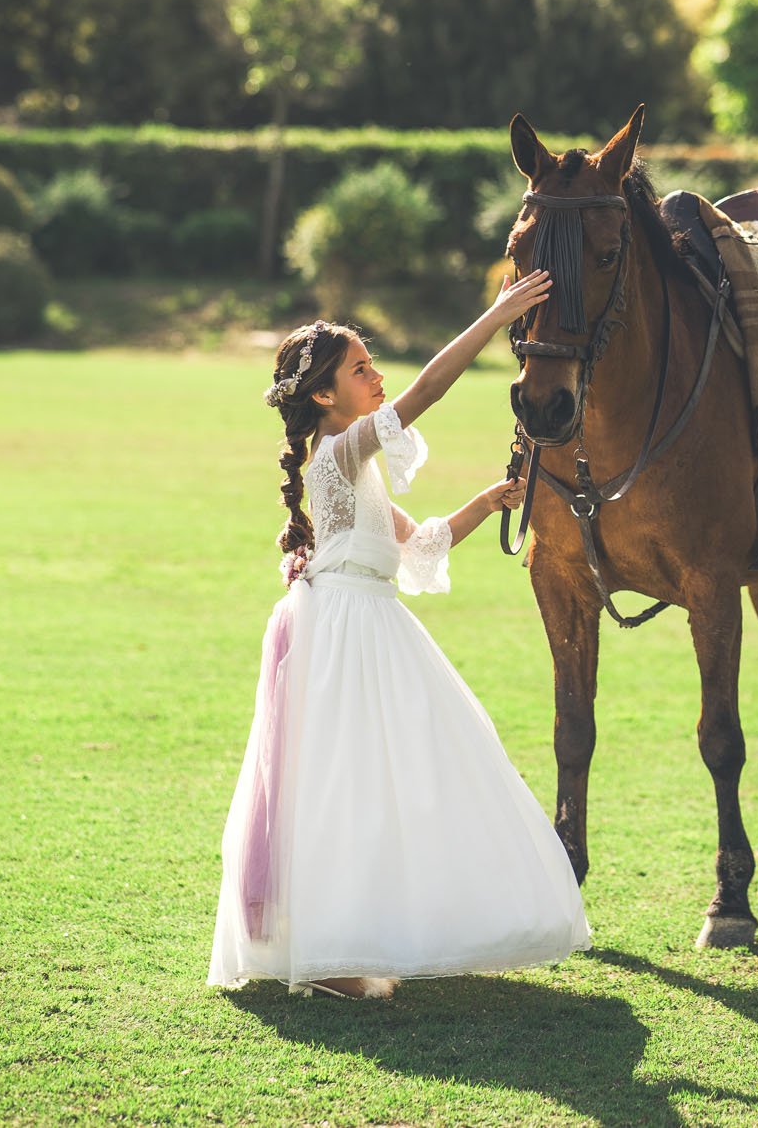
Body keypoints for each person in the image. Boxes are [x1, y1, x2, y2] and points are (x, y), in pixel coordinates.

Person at [207, 271, 591, 998]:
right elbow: (428, 391)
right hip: (344, 633)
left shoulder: (359, 470)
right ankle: (330, 951)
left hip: (371, 623)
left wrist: (489, 501)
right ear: (325, 396)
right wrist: (497, 318)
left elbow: (418, 546)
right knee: (344, 781)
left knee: (391, 774)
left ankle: (359, 934)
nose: (377, 377)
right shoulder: (338, 452)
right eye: (361, 369)